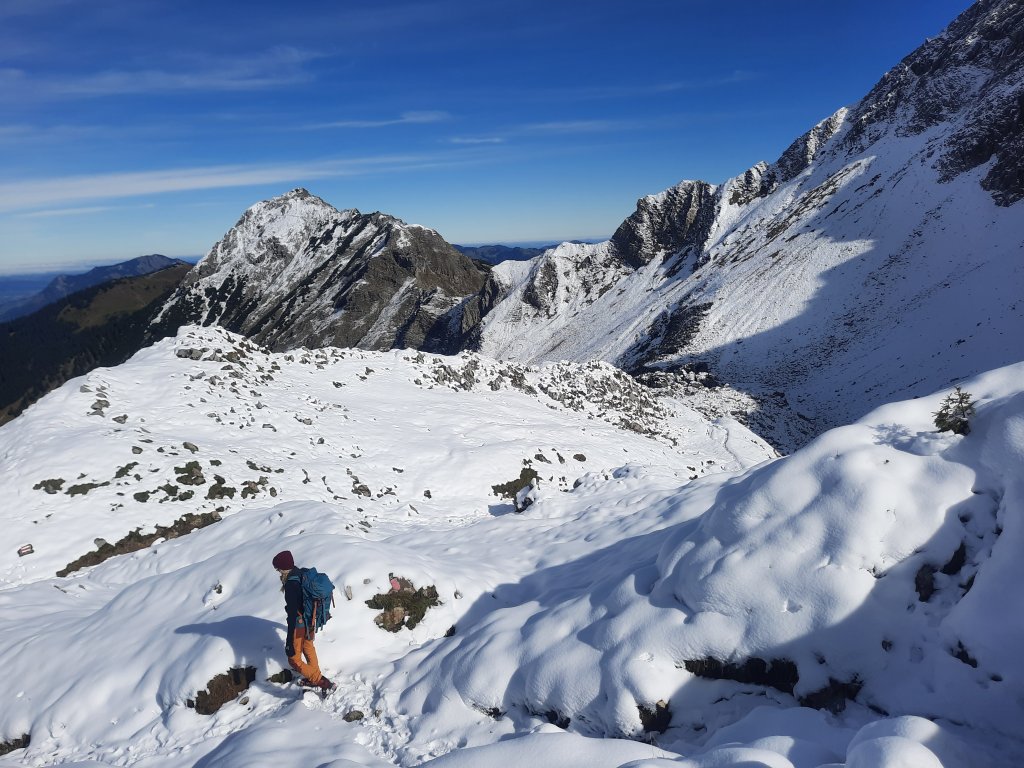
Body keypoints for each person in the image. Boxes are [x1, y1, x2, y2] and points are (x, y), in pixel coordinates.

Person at [272, 550, 334, 691]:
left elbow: (292, 615)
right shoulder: (301, 574)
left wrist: (289, 641)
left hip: (299, 624)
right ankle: (315, 677)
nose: (278, 572)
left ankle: (322, 682)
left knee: (294, 660)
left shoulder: (291, 585)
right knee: (308, 647)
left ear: (283, 568)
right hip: (311, 620)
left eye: (278, 569)